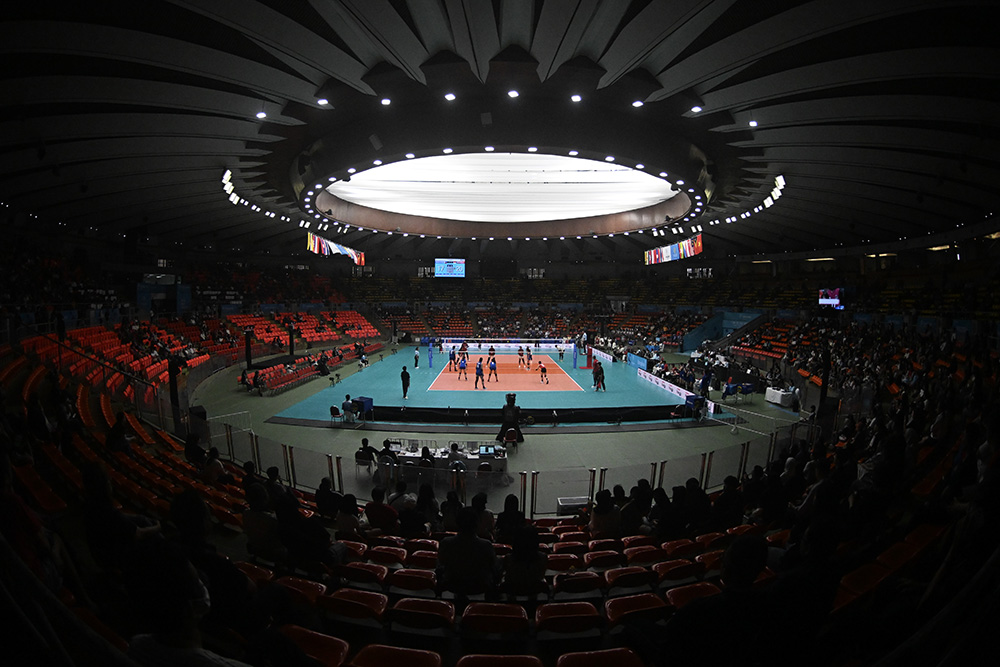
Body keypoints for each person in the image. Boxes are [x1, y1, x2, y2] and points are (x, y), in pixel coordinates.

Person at [437, 506, 501, 598]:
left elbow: (440, 566)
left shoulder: (446, 543)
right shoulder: (486, 545)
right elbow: (494, 568)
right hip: (479, 586)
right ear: (476, 524)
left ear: (457, 523)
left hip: (453, 585)